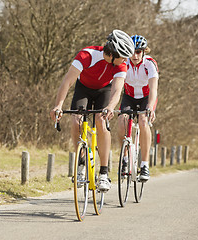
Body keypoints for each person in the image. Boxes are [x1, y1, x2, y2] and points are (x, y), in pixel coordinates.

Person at [50, 29, 135, 191]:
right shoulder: (86, 55)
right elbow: (67, 83)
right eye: (123, 56)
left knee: (101, 121)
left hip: (104, 90)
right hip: (84, 89)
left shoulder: (121, 65)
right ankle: (81, 164)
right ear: (114, 54)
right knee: (76, 120)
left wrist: (110, 107)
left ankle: (104, 173)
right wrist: (58, 105)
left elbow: (117, 90)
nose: (125, 60)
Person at [117, 35, 159, 181]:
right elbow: (116, 83)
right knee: (122, 119)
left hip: (146, 97)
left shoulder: (150, 64)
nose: (135, 55)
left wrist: (150, 108)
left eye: (139, 51)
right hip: (129, 96)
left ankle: (145, 164)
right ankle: (125, 157)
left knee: (143, 121)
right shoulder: (123, 63)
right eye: (132, 52)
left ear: (144, 52)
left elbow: (154, 89)